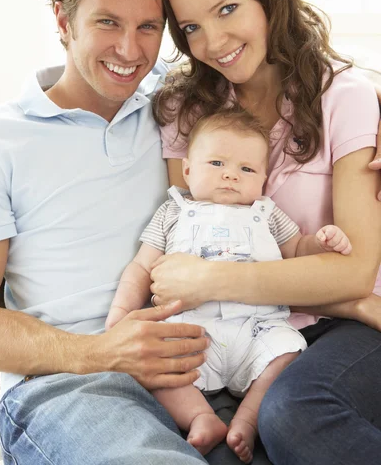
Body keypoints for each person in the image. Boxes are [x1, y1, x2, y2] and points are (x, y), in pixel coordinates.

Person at [0, 0, 238, 465]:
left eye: (148, 26)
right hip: (73, 384)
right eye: (107, 22)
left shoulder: (175, 102)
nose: (129, 49)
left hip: (211, 357)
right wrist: (100, 352)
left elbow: (294, 76)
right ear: (62, 19)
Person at [147, 0, 381, 465]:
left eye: (227, 9)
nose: (215, 41)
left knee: (294, 413)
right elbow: (187, 239)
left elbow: (353, 268)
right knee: (223, 455)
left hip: (352, 327)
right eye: (191, 28)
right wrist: (342, 292)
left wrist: (214, 278)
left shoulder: (342, 97)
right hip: (248, 333)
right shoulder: (184, 111)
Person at [107, 107, 352, 463]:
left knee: (288, 351)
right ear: (187, 170)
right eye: (217, 164)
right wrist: (120, 314)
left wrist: (322, 243)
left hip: (257, 328)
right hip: (188, 329)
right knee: (153, 362)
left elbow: (297, 250)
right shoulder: (172, 211)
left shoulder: (266, 213)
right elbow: (141, 267)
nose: (231, 176)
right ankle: (200, 416)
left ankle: (248, 418)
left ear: (263, 180)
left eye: (246, 169)